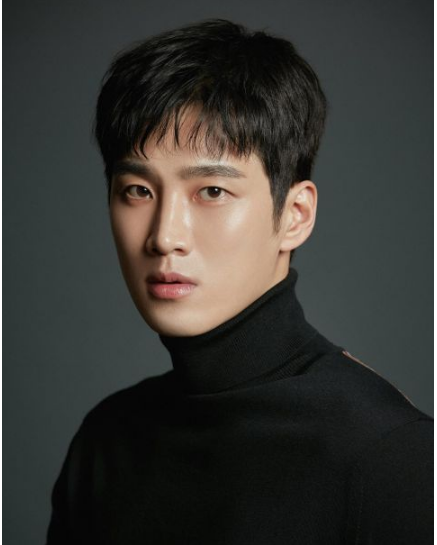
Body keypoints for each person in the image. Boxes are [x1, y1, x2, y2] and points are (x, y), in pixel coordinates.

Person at [46, 19, 433, 545]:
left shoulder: (389, 456)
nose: (164, 236)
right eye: (138, 190)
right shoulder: (106, 440)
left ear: (295, 215)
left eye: (211, 191)